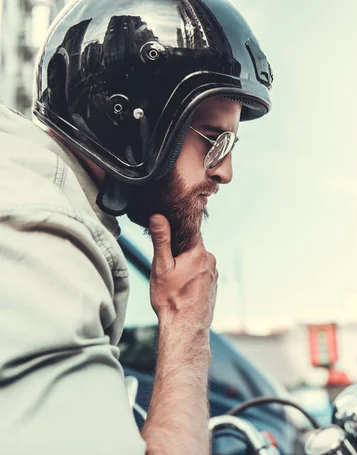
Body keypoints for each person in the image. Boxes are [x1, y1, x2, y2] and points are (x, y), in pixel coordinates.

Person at [0, 0, 273, 453]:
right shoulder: (42, 233)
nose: (225, 171)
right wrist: (186, 323)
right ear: (126, 117)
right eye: (214, 138)